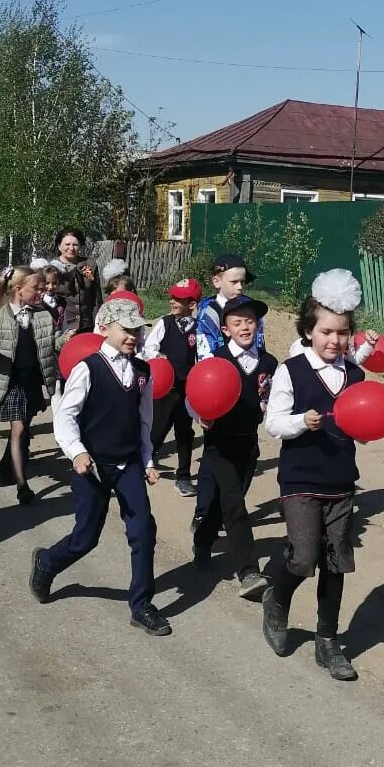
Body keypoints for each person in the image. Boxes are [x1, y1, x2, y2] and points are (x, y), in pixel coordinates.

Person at [29, 298, 169, 636]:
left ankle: (141, 605)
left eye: (137, 328)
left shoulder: (143, 371)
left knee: (143, 531)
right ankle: (47, 563)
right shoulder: (88, 367)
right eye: (126, 328)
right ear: (105, 329)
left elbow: (144, 420)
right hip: (91, 465)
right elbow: (66, 416)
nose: (133, 335)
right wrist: (77, 453)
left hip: (129, 463)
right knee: (86, 537)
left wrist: (148, 459)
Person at [263, 270, 372, 682]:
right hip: (300, 479)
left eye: (343, 333)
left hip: (342, 479)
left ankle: (328, 641)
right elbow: (273, 423)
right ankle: (277, 598)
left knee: (336, 563)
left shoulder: (356, 376)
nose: (335, 341)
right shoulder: (291, 371)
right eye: (326, 331)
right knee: (305, 557)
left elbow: (364, 421)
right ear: (308, 331)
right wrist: (300, 422)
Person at [190, 294, 275, 599]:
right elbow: (194, 397)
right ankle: (248, 571)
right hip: (219, 444)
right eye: (237, 323)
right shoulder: (216, 362)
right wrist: (200, 415)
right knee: (236, 506)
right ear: (225, 329)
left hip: (248, 444)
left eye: (249, 321)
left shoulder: (268, 362)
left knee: (225, 503)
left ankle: (202, 540)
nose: (244, 327)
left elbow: (270, 396)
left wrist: (269, 407)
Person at [192, 252, 264, 531]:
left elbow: (260, 342)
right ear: (216, 281)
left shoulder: (250, 309)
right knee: (214, 455)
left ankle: (225, 510)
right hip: (216, 392)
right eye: (234, 281)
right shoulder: (209, 311)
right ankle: (203, 513)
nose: (240, 287)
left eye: (243, 282)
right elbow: (204, 352)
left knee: (248, 453)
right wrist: (208, 397)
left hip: (247, 387)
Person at [0, 266, 59, 504]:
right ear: (18, 289)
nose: (42, 291)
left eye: (43, 288)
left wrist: (65, 339)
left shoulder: (44, 315)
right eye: (36, 288)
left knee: (24, 428)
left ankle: (8, 466)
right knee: (19, 429)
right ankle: (22, 485)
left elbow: (51, 343)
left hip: (33, 382)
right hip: (10, 383)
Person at [142, 277, 201, 496]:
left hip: (188, 392)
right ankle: (144, 464)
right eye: (172, 297)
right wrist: (159, 357)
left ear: (192, 304)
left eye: (179, 299)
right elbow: (149, 347)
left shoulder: (199, 328)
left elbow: (202, 356)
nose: (173, 301)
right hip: (166, 390)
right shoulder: (165, 323)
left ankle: (183, 476)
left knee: (185, 433)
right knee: (157, 430)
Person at [52, 228, 100, 336]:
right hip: (62, 326)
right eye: (67, 244)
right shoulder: (52, 267)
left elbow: (96, 297)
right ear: (59, 246)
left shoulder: (89, 264)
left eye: (75, 244)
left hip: (86, 324)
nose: (71, 248)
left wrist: (97, 322)